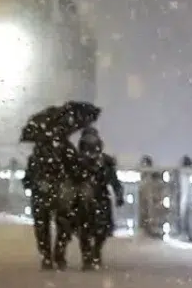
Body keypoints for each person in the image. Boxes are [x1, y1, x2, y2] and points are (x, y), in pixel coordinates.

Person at [22, 105, 89, 270]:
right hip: (60, 192)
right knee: (63, 223)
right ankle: (58, 254)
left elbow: (30, 174)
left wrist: (33, 183)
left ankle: (48, 255)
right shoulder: (66, 148)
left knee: (42, 224)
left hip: (45, 192)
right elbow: (77, 170)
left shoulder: (39, 151)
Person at [77, 127, 125, 270]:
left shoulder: (105, 161)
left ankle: (96, 252)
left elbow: (114, 181)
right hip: (82, 199)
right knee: (84, 231)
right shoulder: (76, 162)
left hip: (100, 197)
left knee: (101, 231)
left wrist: (119, 194)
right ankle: (87, 256)